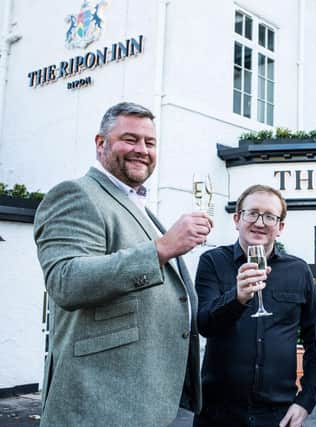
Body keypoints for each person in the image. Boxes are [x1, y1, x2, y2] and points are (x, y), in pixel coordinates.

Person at [33, 102, 211, 425]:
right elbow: (66, 280)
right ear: (101, 144)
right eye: (130, 139)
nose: (142, 150)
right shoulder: (76, 194)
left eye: (150, 142)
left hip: (146, 403)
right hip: (98, 407)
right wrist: (160, 249)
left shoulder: (139, 206)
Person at [194, 184, 316, 427]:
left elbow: (315, 341)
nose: (260, 222)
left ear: (280, 227)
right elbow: (204, 324)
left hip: (279, 415)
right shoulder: (212, 261)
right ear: (237, 219)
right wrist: (238, 297)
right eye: (252, 213)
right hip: (218, 413)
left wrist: (306, 400)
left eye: (269, 216)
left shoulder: (298, 270)